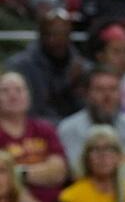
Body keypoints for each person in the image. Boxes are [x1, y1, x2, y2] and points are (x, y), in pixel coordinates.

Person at [0, 73, 66, 202]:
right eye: (5, 91)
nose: (13, 95)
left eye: (19, 90)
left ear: (28, 96)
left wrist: (19, 173)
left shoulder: (45, 129)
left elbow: (59, 172)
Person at [58, 125, 125, 202]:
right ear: (86, 158)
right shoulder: (71, 197)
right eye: (96, 149)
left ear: (119, 156)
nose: (102, 155)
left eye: (109, 148)